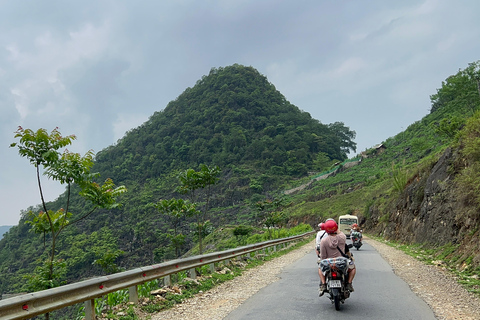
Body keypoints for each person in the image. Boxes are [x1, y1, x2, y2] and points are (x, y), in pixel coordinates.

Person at [318, 219, 356, 296]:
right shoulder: (342, 237)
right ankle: (349, 283)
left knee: (320, 269)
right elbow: (339, 232)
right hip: (341, 262)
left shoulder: (323, 241)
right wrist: (335, 227)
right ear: (336, 227)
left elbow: (323, 256)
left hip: (329, 263)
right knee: (353, 268)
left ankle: (323, 284)